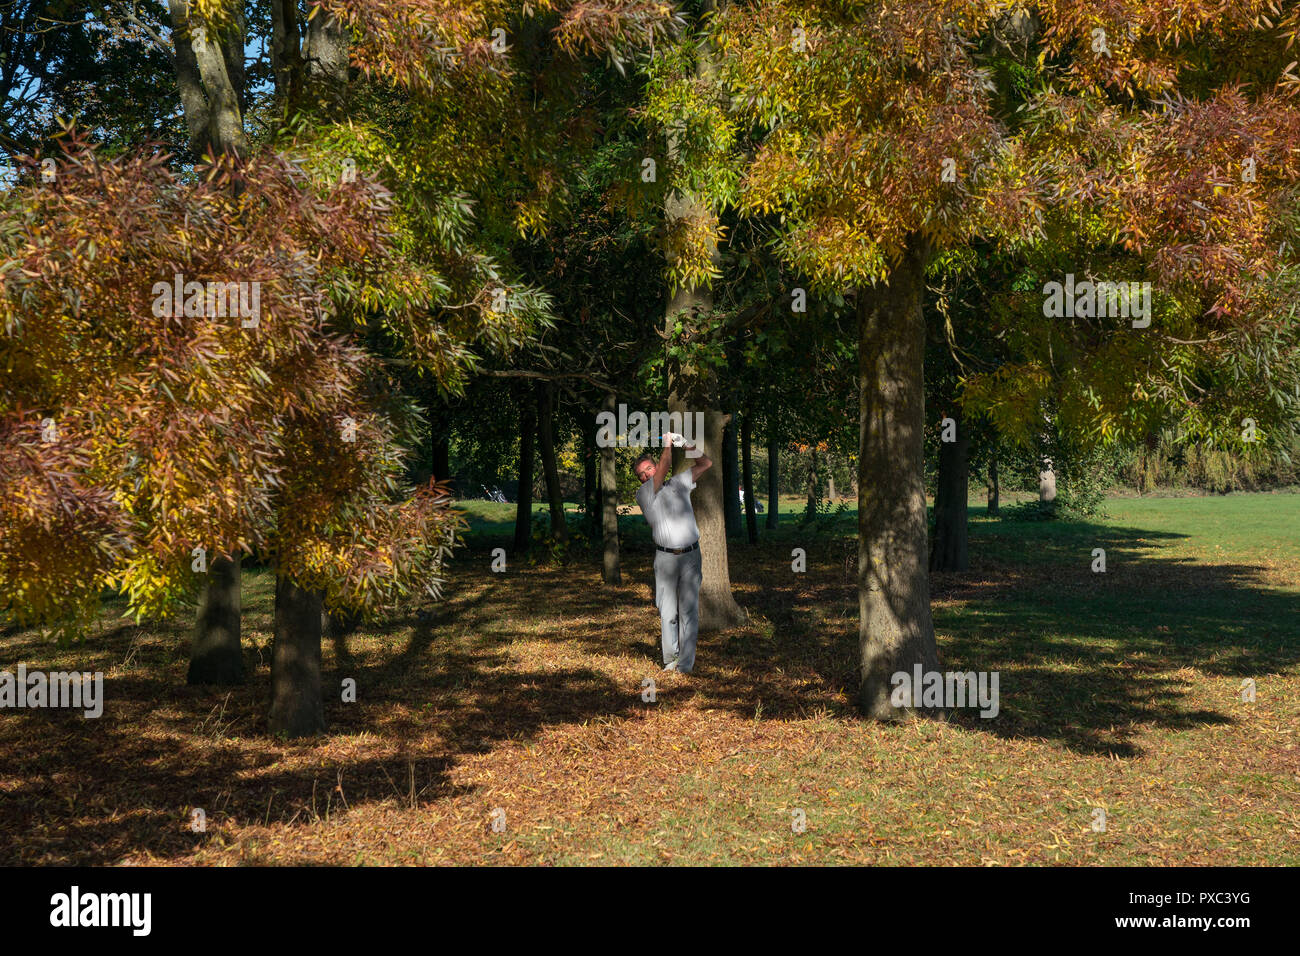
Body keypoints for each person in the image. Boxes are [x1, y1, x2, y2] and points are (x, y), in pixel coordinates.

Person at [633, 432, 712, 673]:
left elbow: (705, 463)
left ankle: (685, 666)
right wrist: (668, 444)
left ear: (654, 466)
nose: (647, 474)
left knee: (688, 611)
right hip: (665, 559)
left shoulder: (679, 483)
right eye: (642, 474)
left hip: (690, 555)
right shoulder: (645, 494)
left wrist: (686, 444)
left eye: (649, 468)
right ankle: (671, 660)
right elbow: (665, 464)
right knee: (667, 612)